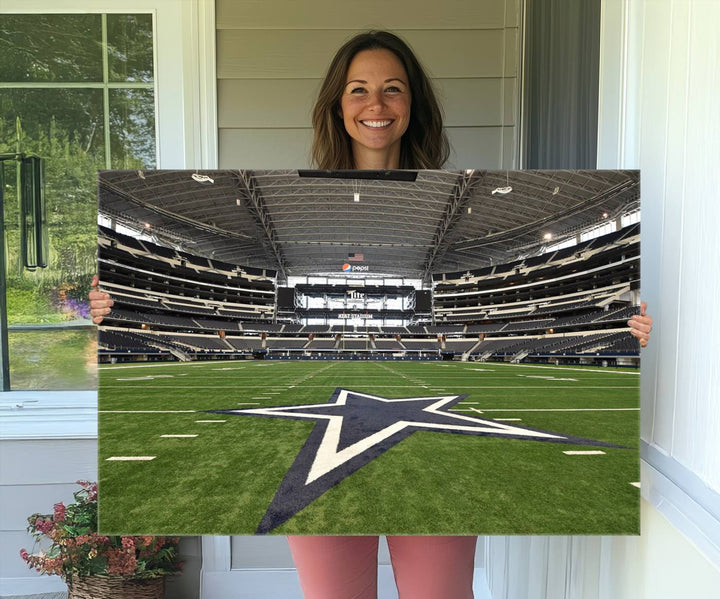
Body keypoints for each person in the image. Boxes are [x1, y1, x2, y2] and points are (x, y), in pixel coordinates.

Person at [89, 30, 653, 599]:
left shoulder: (466, 192)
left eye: (392, 89)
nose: (376, 105)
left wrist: (619, 329)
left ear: (413, 105)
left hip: (437, 458)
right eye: (358, 90)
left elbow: (594, 315)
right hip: (317, 452)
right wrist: (117, 307)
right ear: (338, 104)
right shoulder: (298, 201)